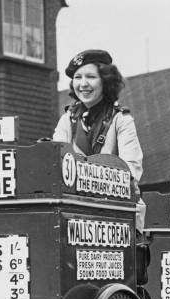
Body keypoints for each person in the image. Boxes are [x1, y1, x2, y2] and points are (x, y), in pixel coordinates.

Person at [53, 49, 146, 232]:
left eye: (91, 77)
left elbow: (131, 170)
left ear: (105, 80)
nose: (83, 84)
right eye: (78, 77)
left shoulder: (121, 119)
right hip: (76, 213)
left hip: (116, 213)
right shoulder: (68, 119)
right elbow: (56, 161)